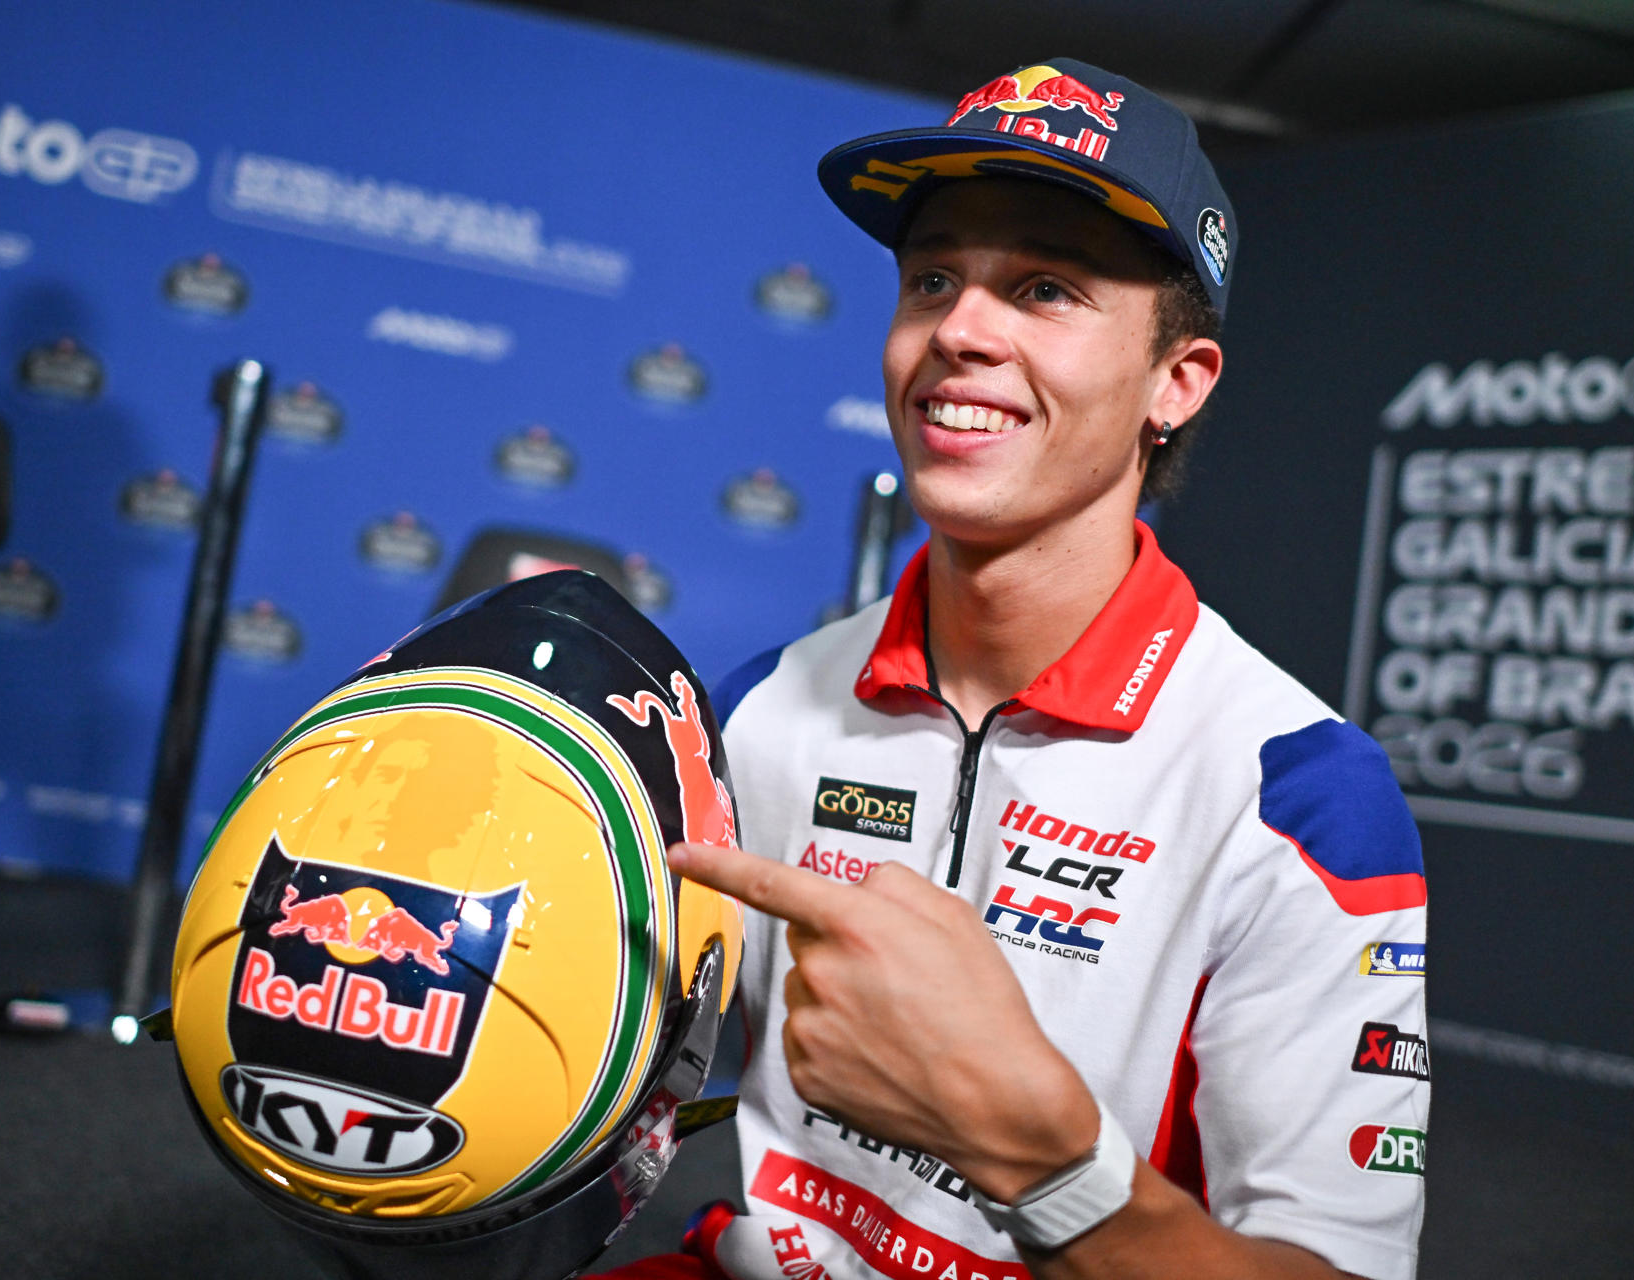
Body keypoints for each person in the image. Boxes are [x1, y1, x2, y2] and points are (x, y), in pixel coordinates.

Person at [603, 57, 1428, 1280]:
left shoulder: (1299, 794)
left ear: (1175, 384)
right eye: (932, 277)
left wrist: (1042, 1159)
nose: (961, 330)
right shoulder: (764, 702)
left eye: (1044, 286)